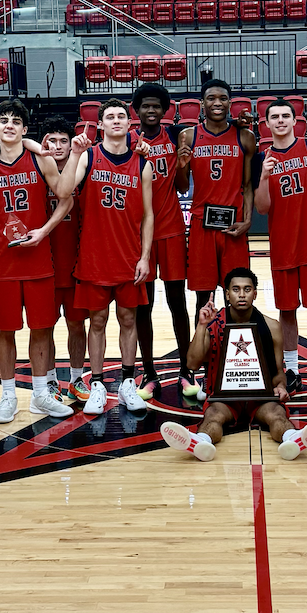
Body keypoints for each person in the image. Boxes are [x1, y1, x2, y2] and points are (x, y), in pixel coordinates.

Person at [159, 267, 307, 461]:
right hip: (224, 397)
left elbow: (277, 371)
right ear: (227, 294)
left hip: (260, 396)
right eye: (236, 289)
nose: (241, 295)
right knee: (213, 416)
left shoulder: (272, 326)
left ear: (255, 294)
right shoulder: (215, 323)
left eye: (247, 289)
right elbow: (191, 363)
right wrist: (201, 326)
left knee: (277, 415)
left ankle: (293, 440)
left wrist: (281, 386)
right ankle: (200, 442)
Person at [0, 99, 75, 422]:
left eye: (15, 121)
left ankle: (40, 395)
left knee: (42, 328)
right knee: (6, 331)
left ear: (23, 128)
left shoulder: (40, 161)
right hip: (5, 264)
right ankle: (8, 396)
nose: (9, 125)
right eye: (3, 120)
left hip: (38, 260)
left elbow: (66, 195)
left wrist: (45, 231)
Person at [57, 98, 154, 416]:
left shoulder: (143, 163)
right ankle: (97, 384)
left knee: (128, 320)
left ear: (130, 124)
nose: (115, 121)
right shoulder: (88, 156)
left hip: (128, 257)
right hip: (94, 257)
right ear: (100, 124)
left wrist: (145, 257)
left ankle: (127, 384)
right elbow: (63, 191)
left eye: (121, 117)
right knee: (96, 322)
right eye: (109, 117)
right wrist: (73, 153)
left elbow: (149, 215)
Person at [176, 79, 258, 397]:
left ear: (229, 102)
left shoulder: (245, 136)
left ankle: (238, 365)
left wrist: (248, 219)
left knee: (237, 298)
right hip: (201, 226)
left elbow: (248, 185)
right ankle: (199, 368)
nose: (218, 102)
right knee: (202, 299)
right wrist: (182, 165)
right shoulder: (188, 136)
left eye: (223, 98)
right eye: (211, 98)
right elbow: (182, 186)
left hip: (233, 227)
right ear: (202, 103)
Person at [252, 98, 307, 397]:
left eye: (286, 116)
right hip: (283, 247)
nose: (281, 121)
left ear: (296, 119)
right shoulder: (261, 159)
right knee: (287, 310)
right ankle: (291, 369)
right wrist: (263, 175)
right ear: (267, 123)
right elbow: (262, 207)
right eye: (274, 117)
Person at [128, 83, 194, 400]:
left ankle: (186, 369)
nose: (151, 111)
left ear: (165, 110)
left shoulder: (176, 137)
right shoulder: (127, 143)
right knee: (145, 304)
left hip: (169, 229)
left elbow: (183, 186)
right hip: (139, 234)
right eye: (146, 106)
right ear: (136, 110)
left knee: (177, 302)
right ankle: (150, 373)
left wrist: (182, 165)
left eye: (157, 106)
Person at [41, 115, 91, 403]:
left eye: (63, 140)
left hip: (75, 264)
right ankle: (48, 380)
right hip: (44, 265)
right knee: (45, 327)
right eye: (51, 140)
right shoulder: (37, 169)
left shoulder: (82, 170)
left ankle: (75, 379)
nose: (58, 146)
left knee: (76, 325)